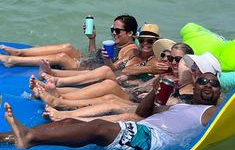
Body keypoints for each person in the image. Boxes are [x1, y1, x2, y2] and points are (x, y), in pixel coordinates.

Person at [0, 72, 221, 150]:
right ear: (196, 86)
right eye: (203, 81)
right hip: (143, 129)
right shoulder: (180, 105)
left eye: (214, 83)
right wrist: (154, 91)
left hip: (157, 140)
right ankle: (10, 137)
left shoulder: (211, 111)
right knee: (68, 121)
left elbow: (230, 113)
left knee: (98, 127)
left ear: (219, 91)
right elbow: (144, 112)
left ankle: (28, 137)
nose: (208, 85)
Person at [42, 40, 193, 122]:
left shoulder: (186, 79)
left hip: (146, 106)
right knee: (108, 90)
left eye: (177, 60)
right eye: (170, 58)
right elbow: (137, 79)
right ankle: (59, 97)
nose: (172, 61)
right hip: (138, 98)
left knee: (110, 95)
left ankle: (61, 101)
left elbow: (180, 103)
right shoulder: (162, 70)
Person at [31, 24, 170, 111]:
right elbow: (118, 68)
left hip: (129, 90)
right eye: (142, 40)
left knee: (104, 76)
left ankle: (56, 85)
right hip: (119, 80)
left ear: (156, 43)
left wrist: (149, 70)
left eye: (150, 41)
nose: (145, 43)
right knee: (103, 71)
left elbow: (127, 71)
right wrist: (107, 58)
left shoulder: (157, 62)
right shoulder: (135, 54)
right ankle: (54, 86)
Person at [0, 14, 138, 70]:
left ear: (130, 33)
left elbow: (114, 70)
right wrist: (92, 38)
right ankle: (20, 52)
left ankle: (12, 60)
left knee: (62, 57)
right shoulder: (117, 44)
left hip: (90, 70)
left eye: (118, 31)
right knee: (67, 47)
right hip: (90, 61)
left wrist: (107, 59)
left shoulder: (130, 50)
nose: (114, 33)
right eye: (113, 29)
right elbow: (93, 54)